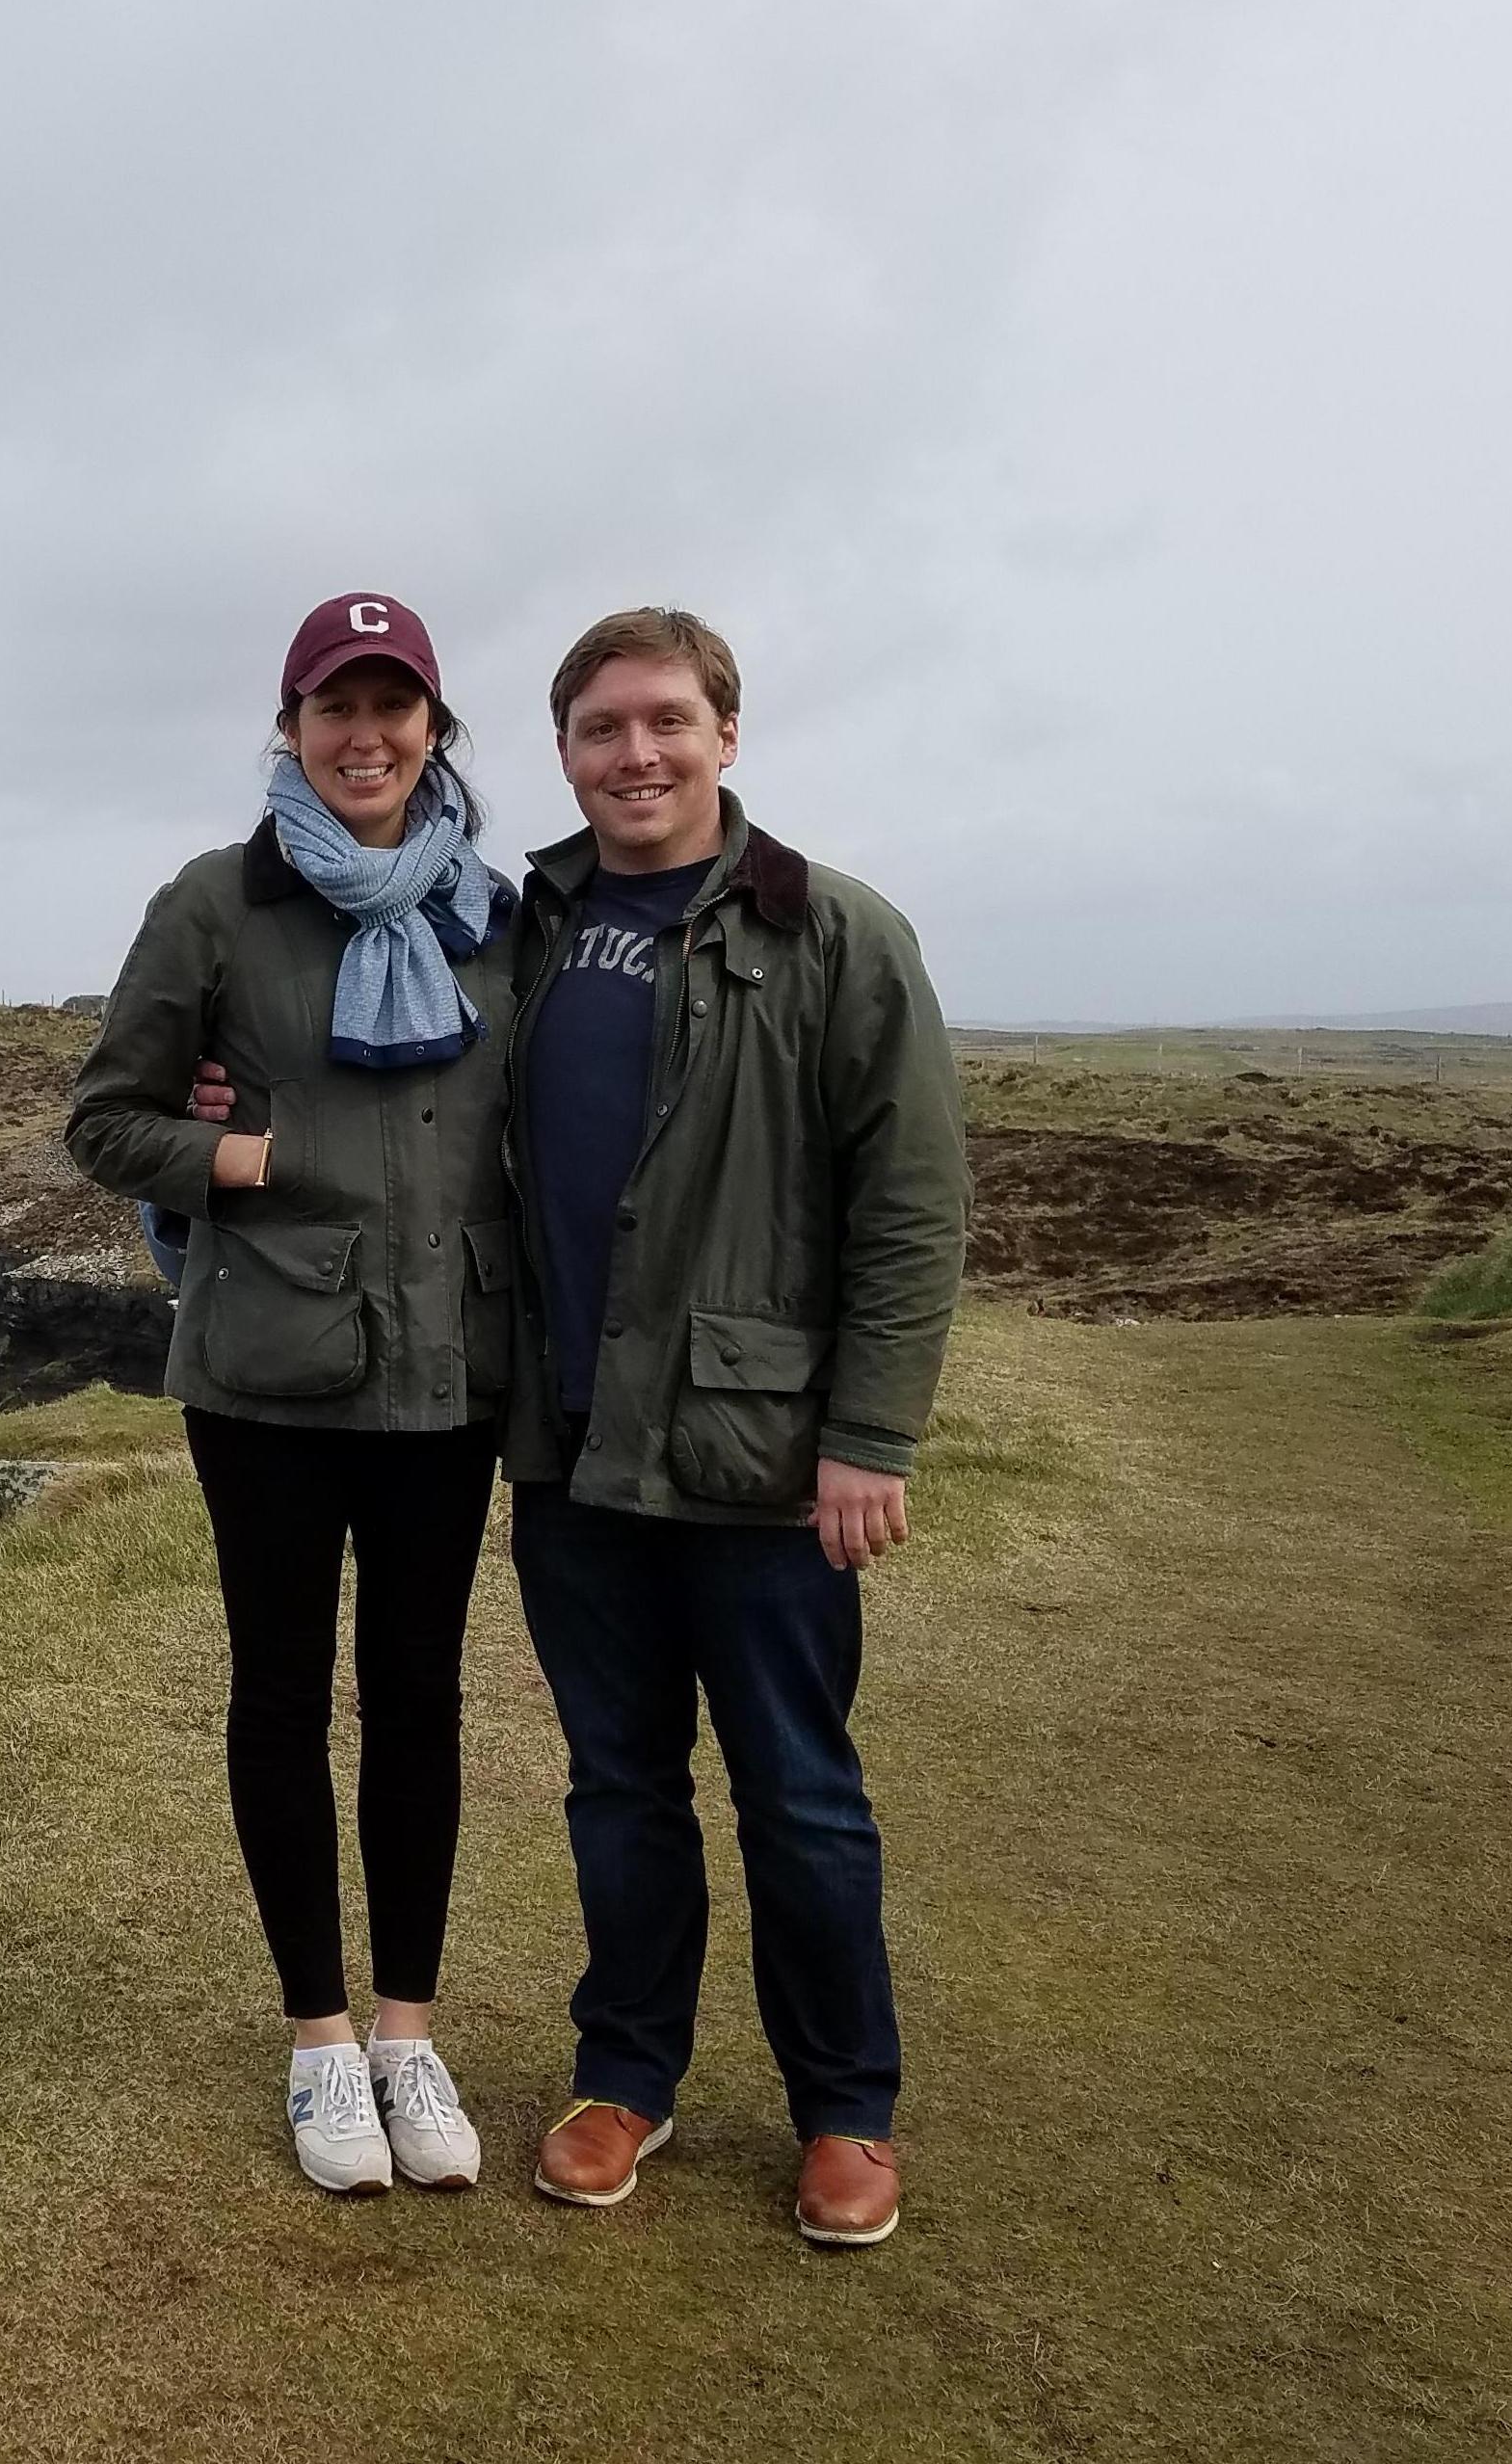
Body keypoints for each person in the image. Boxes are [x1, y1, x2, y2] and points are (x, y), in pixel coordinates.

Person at [502, 607, 968, 2244]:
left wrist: (873, 1436)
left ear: (727, 734)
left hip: (761, 1459)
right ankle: (626, 2075)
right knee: (617, 1788)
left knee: (800, 1793)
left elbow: (909, 1210)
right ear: (562, 751)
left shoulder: (833, 932)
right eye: (601, 729)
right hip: (569, 1450)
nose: (636, 755)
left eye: (666, 723)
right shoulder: (529, 925)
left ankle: (848, 2110)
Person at [66, 593, 518, 2196]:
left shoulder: (495, 914)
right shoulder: (213, 904)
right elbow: (108, 1122)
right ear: (291, 726)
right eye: (337, 707)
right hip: (262, 1374)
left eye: (397, 708)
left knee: (419, 1699)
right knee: (279, 1692)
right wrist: (243, 1154)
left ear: (437, 733)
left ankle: (410, 2029)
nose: (367, 736)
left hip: (450, 1377)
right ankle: (321, 2041)